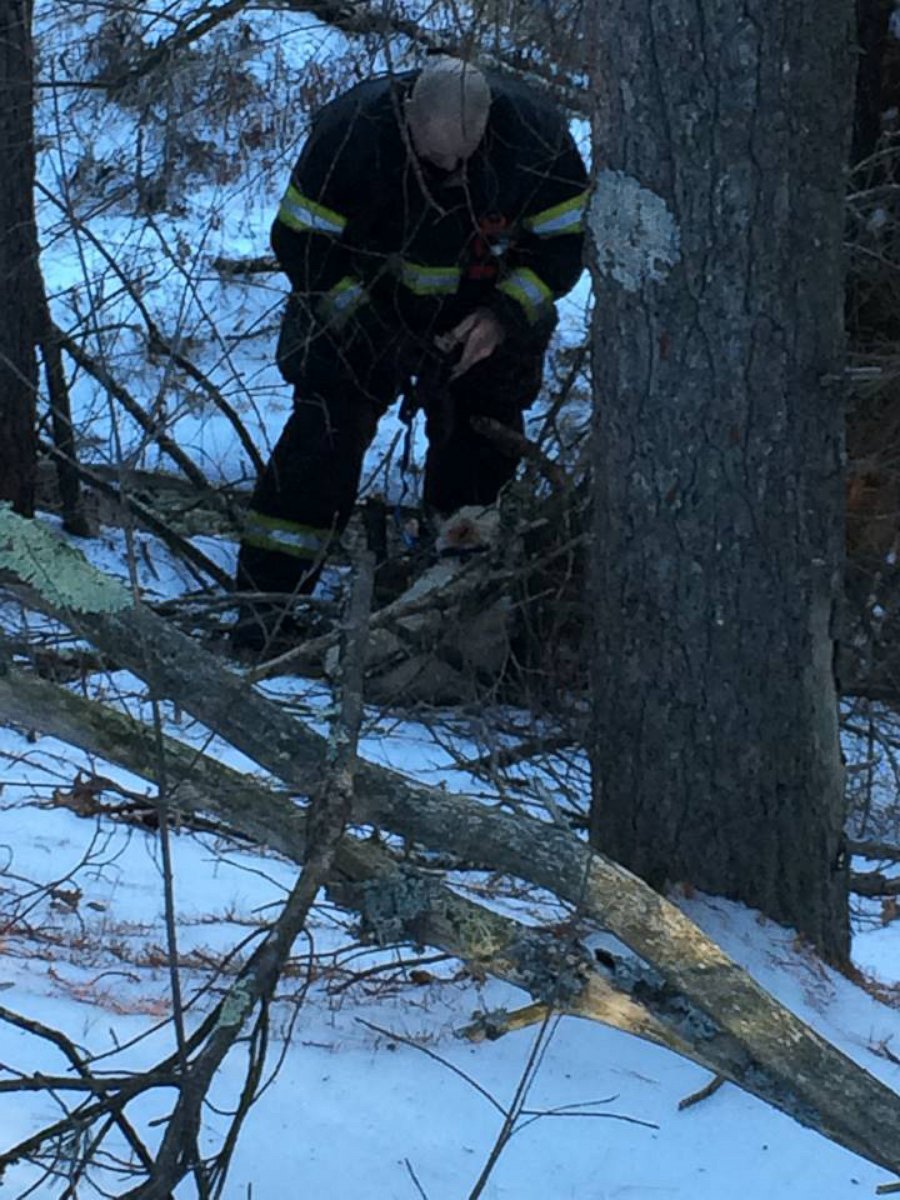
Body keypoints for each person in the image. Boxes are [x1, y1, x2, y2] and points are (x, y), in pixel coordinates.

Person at [233, 55, 588, 650]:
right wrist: (363, 325)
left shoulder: (537, 140)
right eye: (436, 160)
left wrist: (501, 317)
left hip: (483, 308)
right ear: (407, 120)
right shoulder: (350, 133)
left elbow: (564, 250)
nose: (453, 172)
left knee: (480, 447)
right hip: (361, 307)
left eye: (466, 159)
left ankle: (455, 615)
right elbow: (301, 243)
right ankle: (263, 609)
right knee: (324, 436)